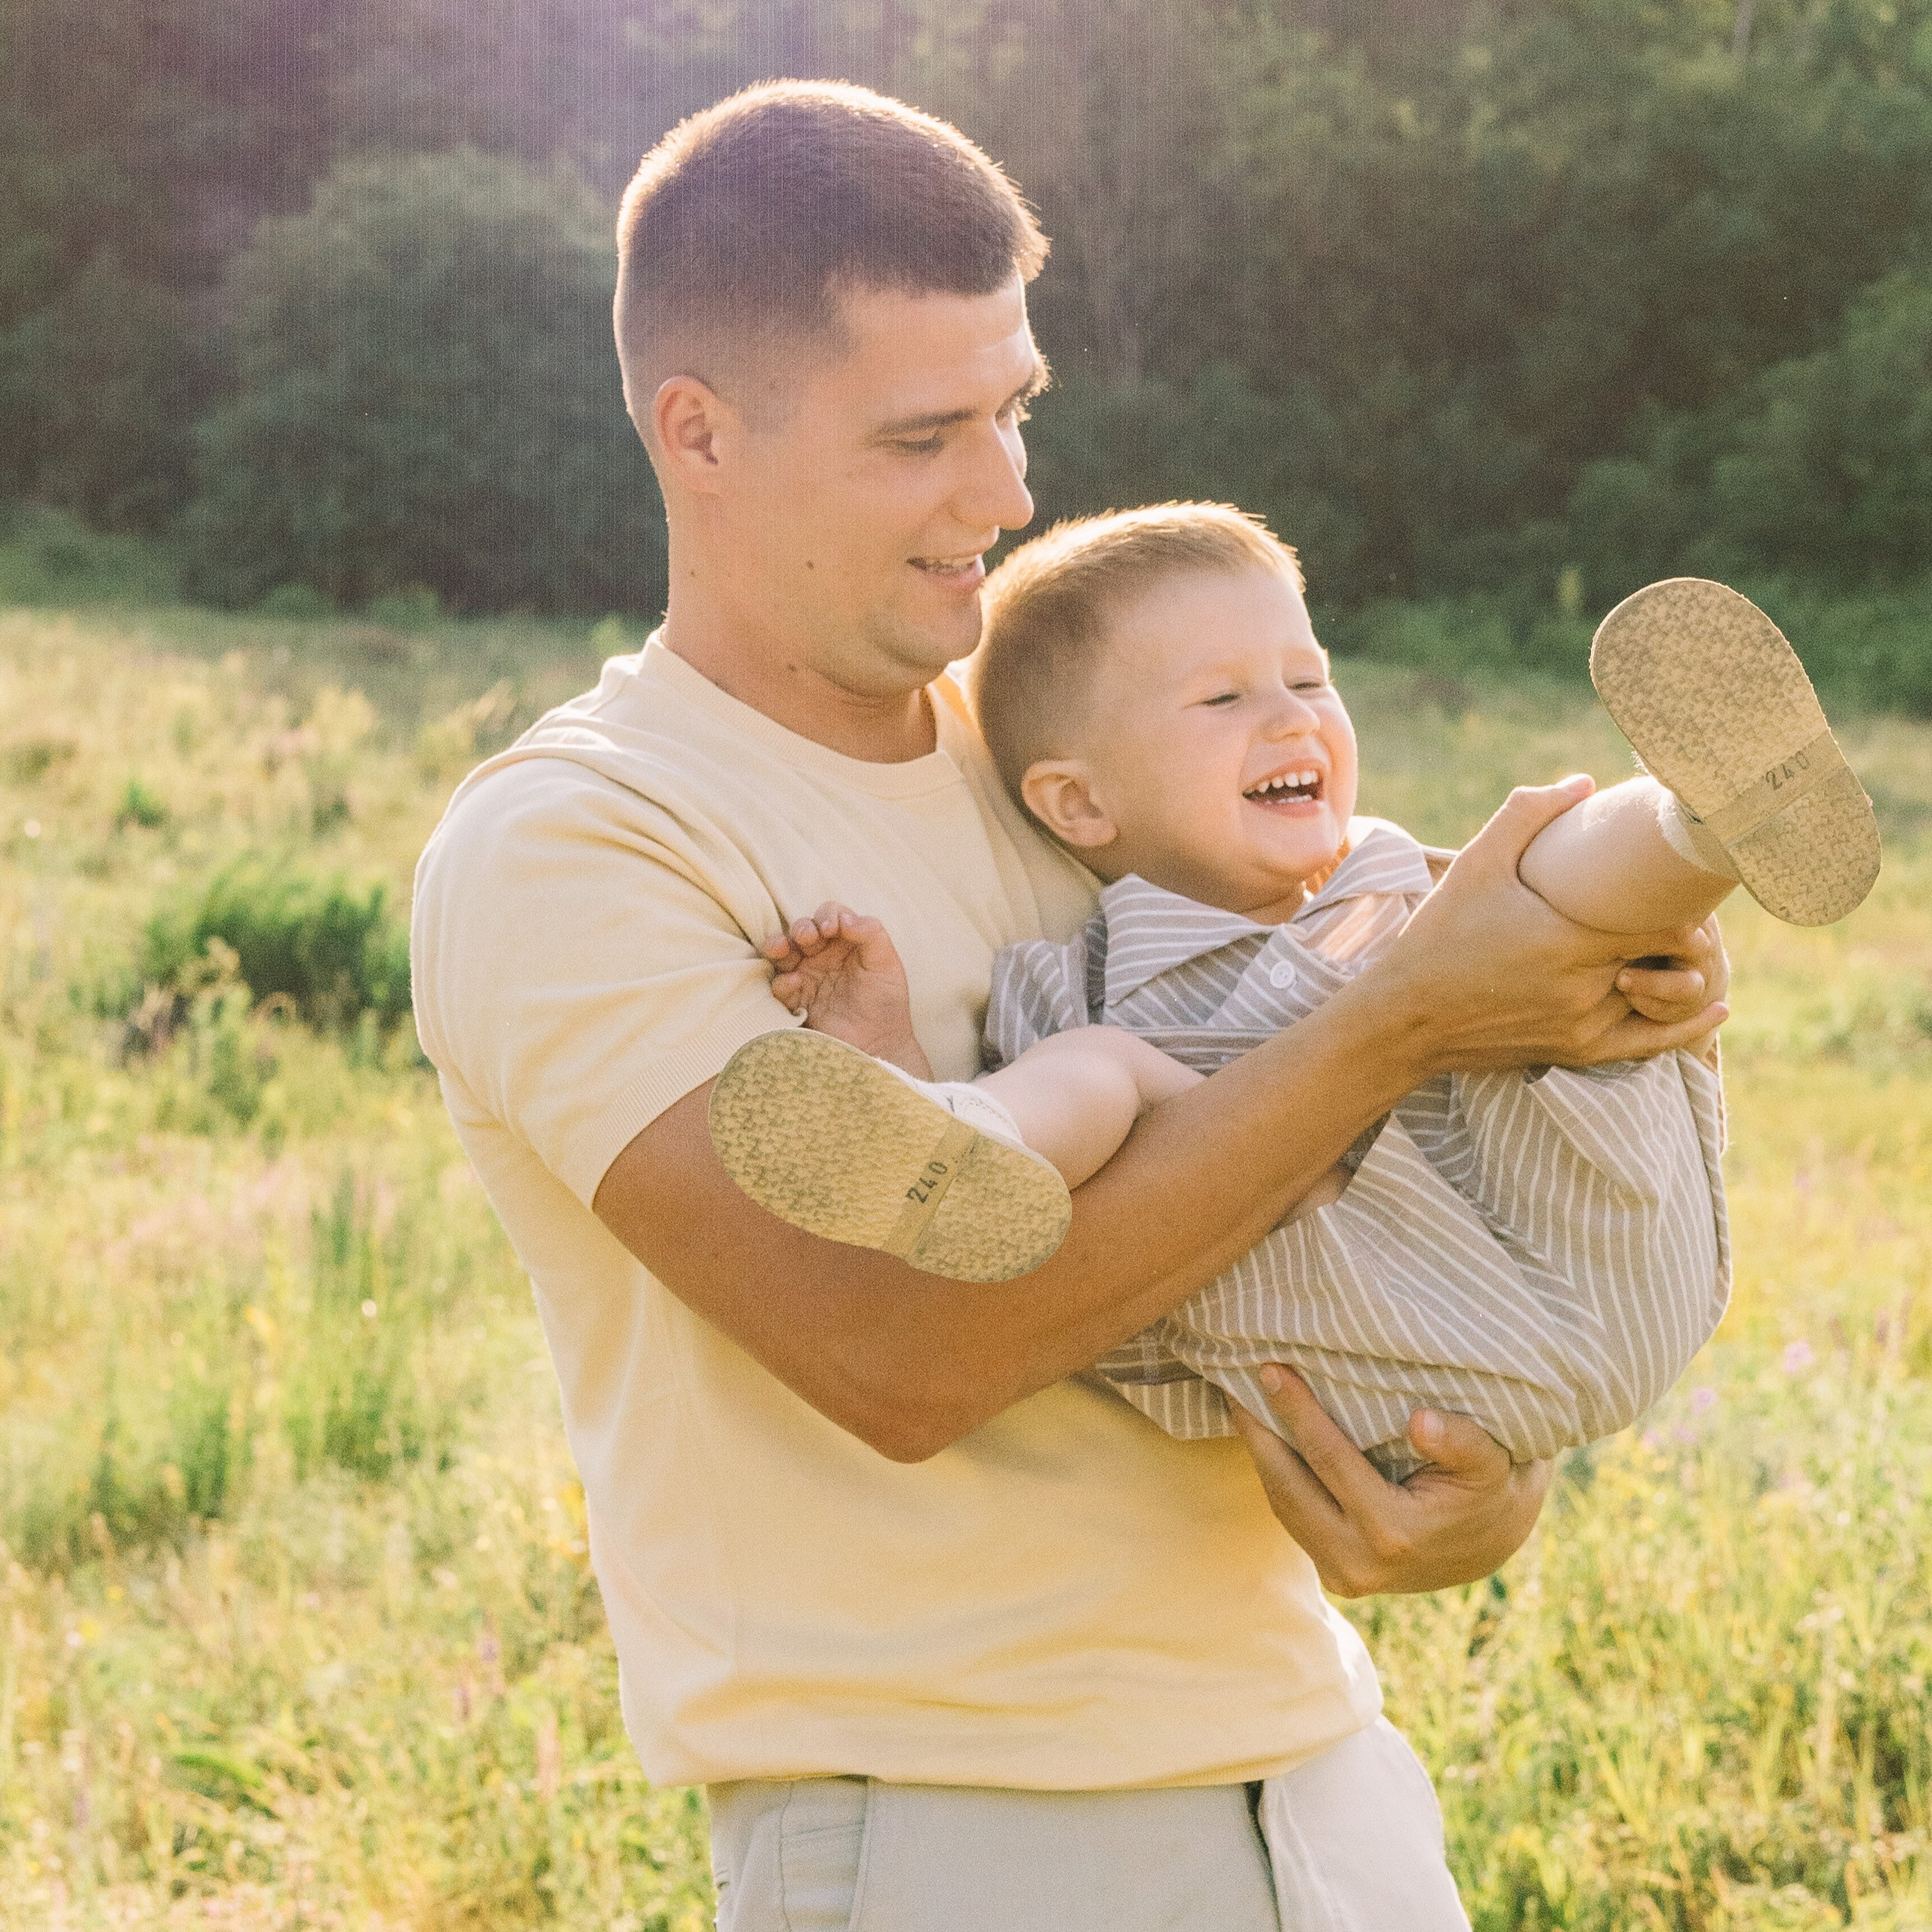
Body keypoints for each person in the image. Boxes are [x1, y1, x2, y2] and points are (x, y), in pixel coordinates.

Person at [409, 82, 1732, 1932]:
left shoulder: (1066, 743)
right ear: (694, 432)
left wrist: (1476, 1473)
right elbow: (900, 1357)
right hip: (962, 1836)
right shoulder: (578, 842)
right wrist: (1403, 1018)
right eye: (922, 435)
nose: (1008, 495)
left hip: (1327, 1791)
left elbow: (1361, 1151)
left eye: (1014, 408)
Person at [709, 506, 1879, 1495]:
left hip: (1584, 1240)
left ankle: (1705, 819)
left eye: (1310, 678)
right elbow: (1010, 1244)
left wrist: (1657, 954)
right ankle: (947, 1130)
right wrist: (888, 1049)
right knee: (1104, 1075)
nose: (1292, 717)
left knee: (1543, 877)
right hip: (1361, 1344)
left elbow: (1568, 964)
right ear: (1078, 806)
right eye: (1221, 701)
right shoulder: (1076, 984)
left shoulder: (1388, 878)